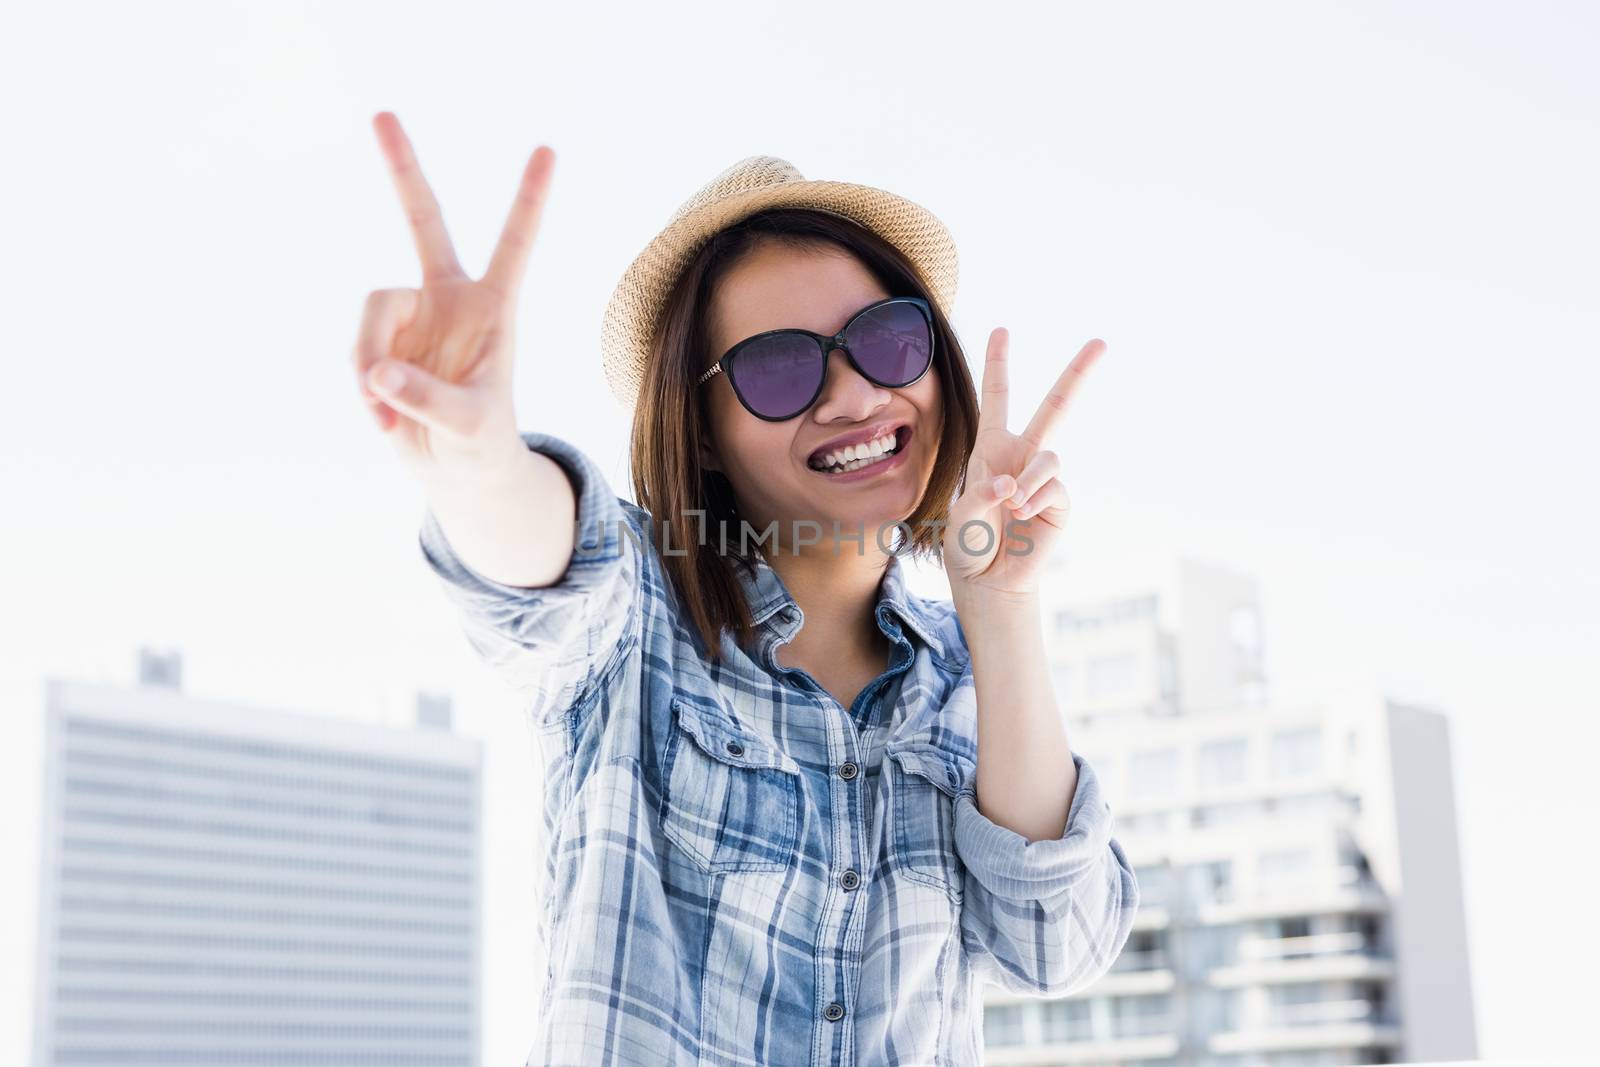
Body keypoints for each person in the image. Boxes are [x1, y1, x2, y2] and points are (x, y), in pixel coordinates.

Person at [353, 111, 1138, 1067]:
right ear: (702, 435)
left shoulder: (970, 673)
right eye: (779, 367)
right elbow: (536, 565)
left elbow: (1058, 944)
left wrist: (1002, 606)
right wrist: (476, 459)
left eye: (888, 340)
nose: (854, 396)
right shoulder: (636, 616)